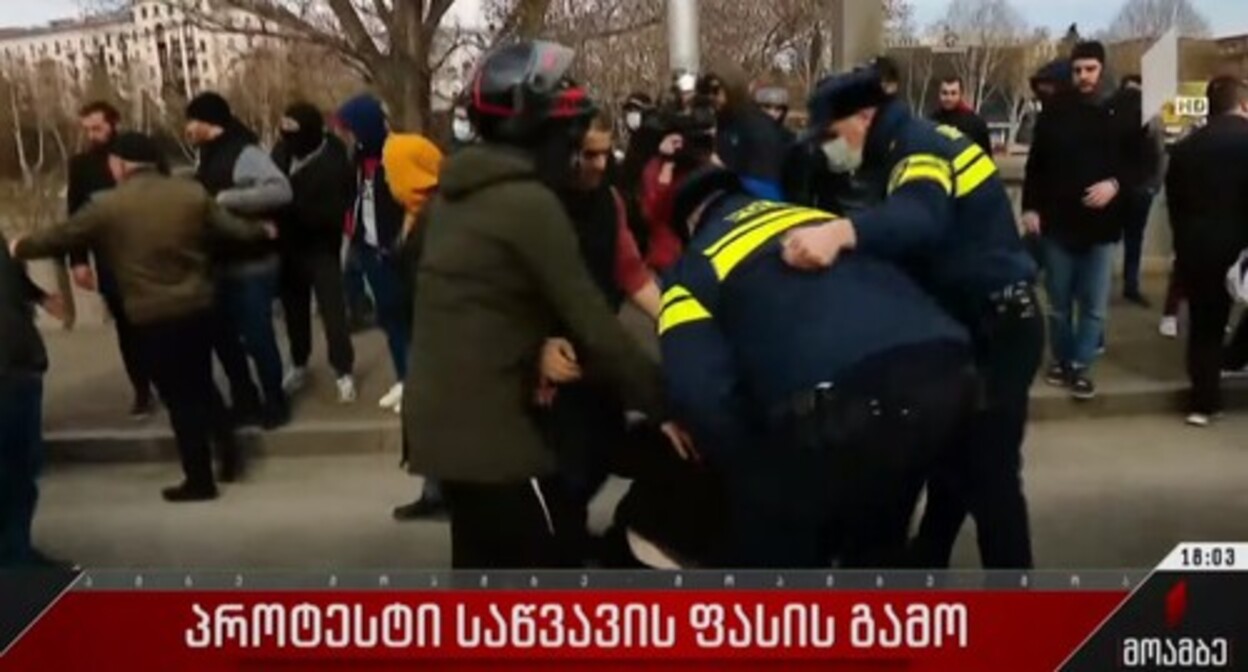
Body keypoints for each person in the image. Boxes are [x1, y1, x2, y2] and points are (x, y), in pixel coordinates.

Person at [402, 41, 681, 570]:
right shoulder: (528, 203)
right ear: (539, 134)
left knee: (481, 569)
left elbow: (463, 300)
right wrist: (668, 404)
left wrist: (529, 345)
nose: (575, 150)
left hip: (440, 430)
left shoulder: (453, 196)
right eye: (569, 137)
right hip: (494, 438)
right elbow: (594, 325)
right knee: (543, 574)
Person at [782, 67, 1043, 570]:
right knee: (951, 459)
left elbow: (918, 219)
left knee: (990, 477)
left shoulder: (916, 147)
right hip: (975, 323)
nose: (830, 149)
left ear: (864, 115)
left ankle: (1017, 610)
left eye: (833, 135)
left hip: (997, 325)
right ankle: (924, 569)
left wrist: (839, 234)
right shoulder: (907, 143)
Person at [661, 167, 974, 568]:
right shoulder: (819, 220)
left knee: (777, 551)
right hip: (946, 372)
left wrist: (754, 466)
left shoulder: (694, 265)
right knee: (879, 538)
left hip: (842, 407)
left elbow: (699, 392)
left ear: (689, 223)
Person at [10, 133, 273, 502]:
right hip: (198, 305)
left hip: (153, 314)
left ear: (119, 164)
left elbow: (63, 237)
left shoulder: (107, 204)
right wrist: (261, 230)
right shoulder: (189, 193)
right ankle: (229, 458)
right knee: (203, 385)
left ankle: (199, 480)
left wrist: (19, 246)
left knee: (179, 397)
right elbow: (232, 228)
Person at [537, 109, 663, 560]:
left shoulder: (609, 202)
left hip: (598, 357)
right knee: (563, 476)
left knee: (602, 454)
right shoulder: (537, 204)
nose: (597, 164)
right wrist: (535, 349)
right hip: (550, 369)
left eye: (605, 153)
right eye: (587, 154)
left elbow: (631, 272)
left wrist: (677, 320)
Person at [1021, 41, 1123, 401]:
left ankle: (1080, 366)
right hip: (1058, 224)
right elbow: (1036, 167)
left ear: (1101, 69)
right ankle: (1062, 360)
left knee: (1094, 307)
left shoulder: (1117, 111)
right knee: (1059, 304)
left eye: (1090, 69)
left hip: (1102, 225)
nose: (1083, 77)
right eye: (1078, 70)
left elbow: (1137, 163)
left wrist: (1114, 184)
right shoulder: (1054, 114)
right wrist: (1030, 208)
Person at [186, 92, 294, 429]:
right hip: (219, 261)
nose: (187, 128)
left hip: (251, 263)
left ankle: (274, 400)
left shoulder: (244, 152)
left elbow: (281, 190)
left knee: (258, 337)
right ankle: (245, 400)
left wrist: (227, 199)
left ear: (208, 121)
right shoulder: (206, 155)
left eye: (191, 120)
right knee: (226, 341)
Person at [1165, 76, 1248, 427]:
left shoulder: (1186, 148)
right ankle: (1235, 358)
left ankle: (1204, 403)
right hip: (1242, 245)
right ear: (1242, 105)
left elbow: (1174, 203)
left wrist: (1184, 245)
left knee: (1205, 327)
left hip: (1198, 246)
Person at [66, 101, 156, 420]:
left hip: (150, 253)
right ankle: (142, 389)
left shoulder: (139, 151)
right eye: (88, 129)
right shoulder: (81, 165)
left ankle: (170, 380)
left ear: (113, 123)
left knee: (158, 322)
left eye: (98, 128)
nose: (92, 135)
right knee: (127, 327)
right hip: (110, 257)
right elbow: (76, 215)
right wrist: (78, 260)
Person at [271, 102, 358, 404]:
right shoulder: (280, 153)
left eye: (294, 133)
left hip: (322, 248)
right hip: (287, 249)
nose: (288, 140)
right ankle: (298, 363)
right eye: (284, 133)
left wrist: (292, 209)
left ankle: (344, 371)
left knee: (333, 312)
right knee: (294, 313)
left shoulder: (334, 162)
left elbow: (335, 210)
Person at [381, 131, 447, 521]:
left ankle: (446, 492)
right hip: (422, 329)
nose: (388, 181)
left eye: (392, 172)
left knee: (439, 418)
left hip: (440, 334)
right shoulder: (415, 211)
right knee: (426, 416)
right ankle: (434, 490)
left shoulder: (439, 213)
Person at [335, 94, 410, 414]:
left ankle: (417, 382)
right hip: (369, 250)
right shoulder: (357, 159)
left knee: (409, 318)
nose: (345, 136)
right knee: (389, 319)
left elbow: (415, 201)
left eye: (349, 129)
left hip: (398, 253)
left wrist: (402, 241)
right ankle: (404, 377)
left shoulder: (397, 155)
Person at [0, 229, 66, 566]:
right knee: (14, 470)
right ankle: (14, 560)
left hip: (17, 361)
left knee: (20, 472)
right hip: (10, 367)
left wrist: (37, 296)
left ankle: (16, 551)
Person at [1111, 74, 1167, 307]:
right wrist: (1153, 185)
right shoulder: (1152, 113)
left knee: (1107, 240)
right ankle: (1131, 286)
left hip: (1112, 187)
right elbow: (1159, 151)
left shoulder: (1109, 108)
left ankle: (1098, 285)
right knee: (1135, 239)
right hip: (1140, 186)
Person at [699, 68, 787, 200]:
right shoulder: (722, 121)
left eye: (715, 90)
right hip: (725, 202)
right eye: (707, 91)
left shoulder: (757, 126)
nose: (710, 96)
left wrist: (722, 171)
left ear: (732, 89)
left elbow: (766, 186)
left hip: (756, 206)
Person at [931, 76, 992, 155]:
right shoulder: (931, 123)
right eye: (945, 93)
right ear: (939, 94)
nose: (949, 98)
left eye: (953, 93)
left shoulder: (976, 124)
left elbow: (986, 158)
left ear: (961, 94)